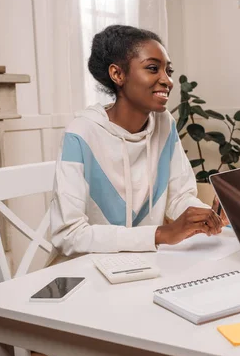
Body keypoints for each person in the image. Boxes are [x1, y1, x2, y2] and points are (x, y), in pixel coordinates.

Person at [50, 25, 221, 259]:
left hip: (145, 264)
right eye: (153, 69)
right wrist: (160, 234)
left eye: (167, 70)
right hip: (88, 270)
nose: (167, 81)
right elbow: (68, 235)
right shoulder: (80, 134)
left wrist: (208, 217)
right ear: (118, 74)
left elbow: (179, 196)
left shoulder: (164, 123)